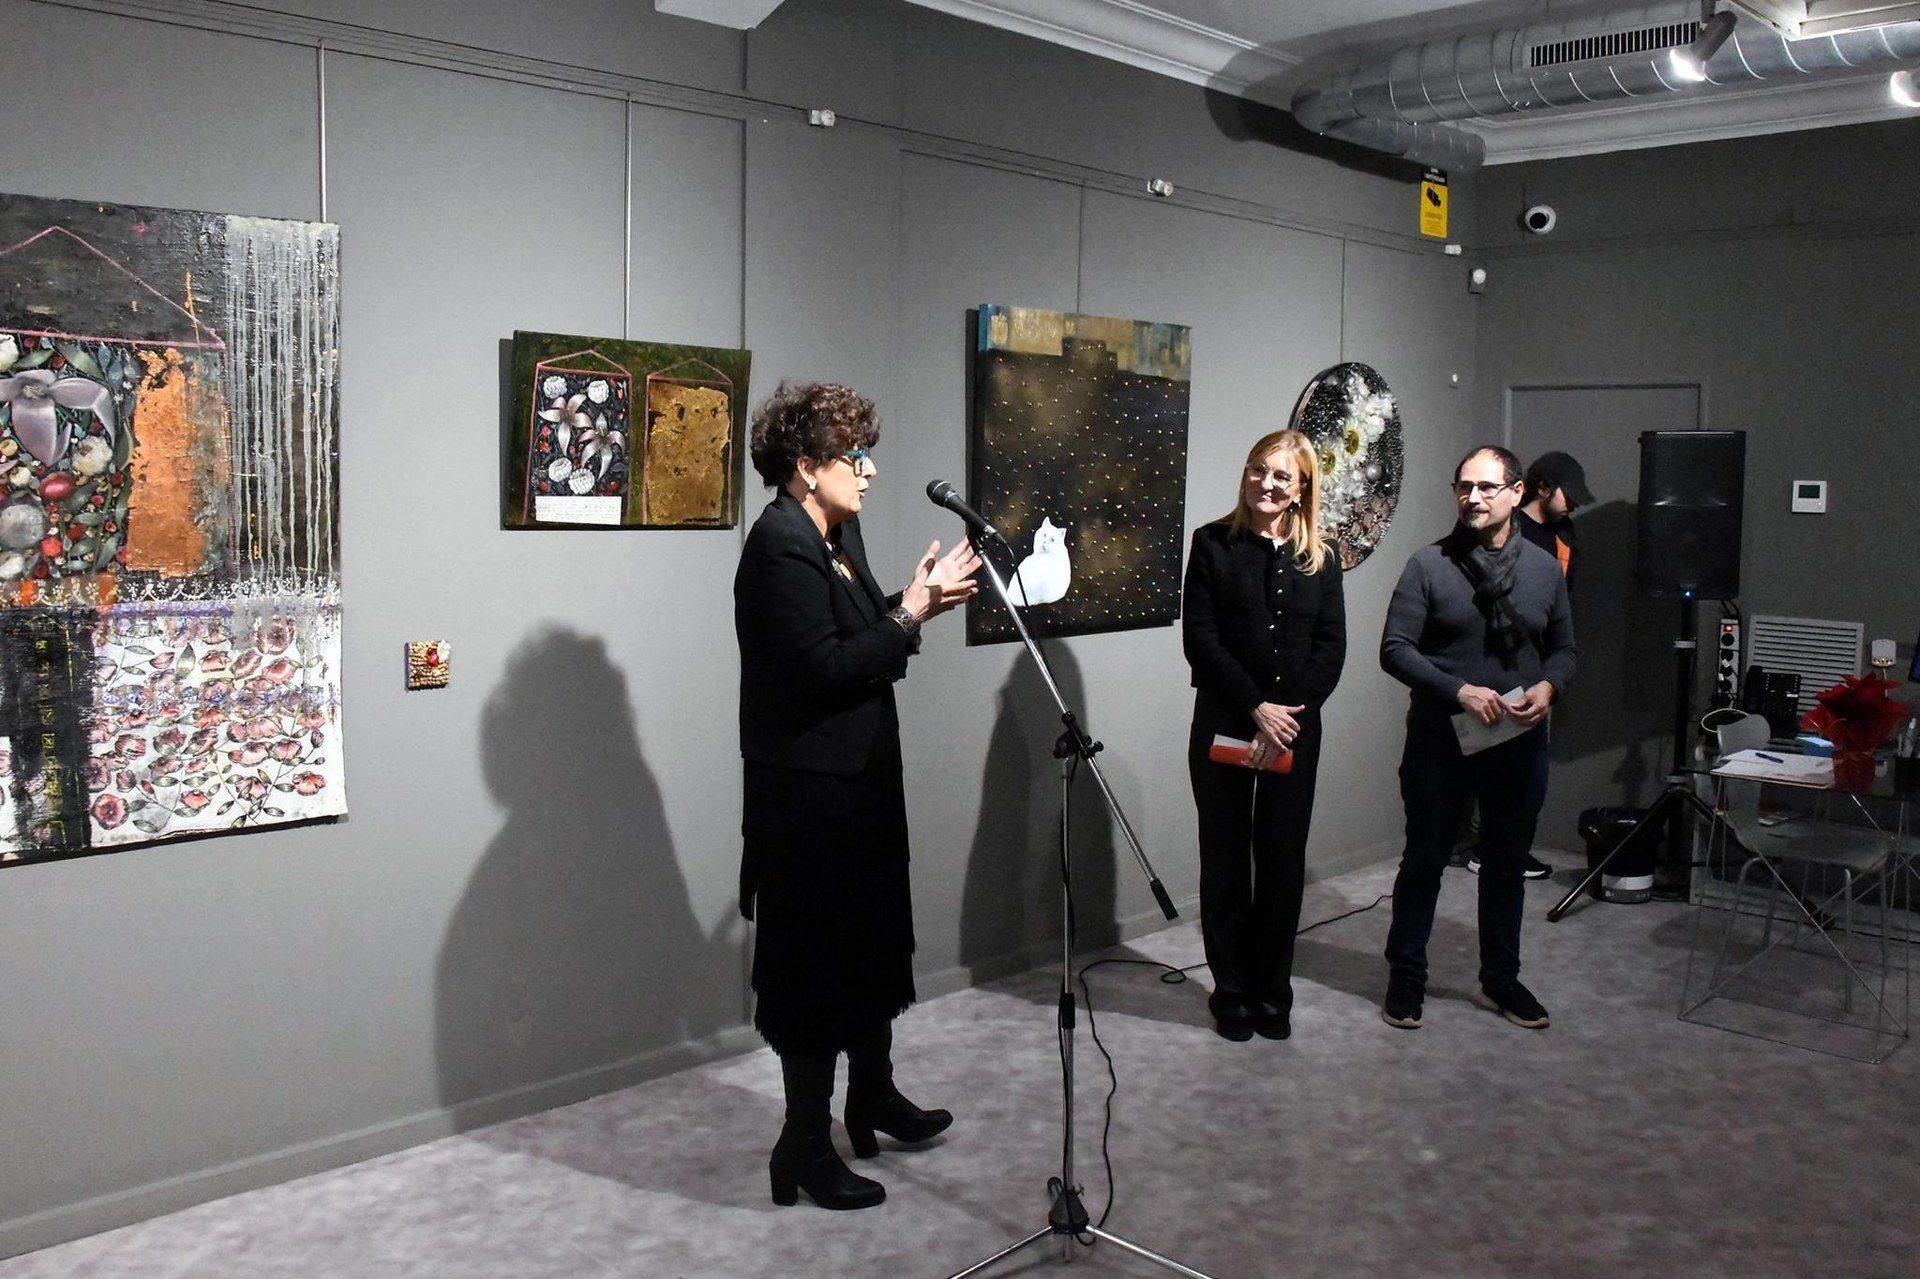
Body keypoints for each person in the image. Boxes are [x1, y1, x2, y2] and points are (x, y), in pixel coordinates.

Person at [734, 380, 982, 1210]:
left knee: (870, 945)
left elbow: (851, 635)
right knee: (815, 970)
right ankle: (802, 1142)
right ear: (805, 466)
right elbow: (823, 670)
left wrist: (912, 607)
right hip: (807, 802)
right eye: (855, 456)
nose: (871, 472)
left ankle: (869, 1096)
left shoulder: (836, 531)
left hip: (861, 785)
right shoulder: (778, 545)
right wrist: (908, 614)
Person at [1379, 445, 1575, 1032]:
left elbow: (1564, 647)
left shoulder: (1544, 568)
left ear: (1518, 493)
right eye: (1465, 486)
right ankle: (1406, 976)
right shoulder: (1429, 564)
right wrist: (1458, 691)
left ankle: (1501, 979)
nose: (1474, 497)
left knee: (1507, 863)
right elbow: (1394, 650)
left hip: (1517, 741)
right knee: (1425, 859)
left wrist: (1549, 687)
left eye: (1488, 487)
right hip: (1442, 741)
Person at [1182, 430, 1346, 1042]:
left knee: (1280, 863)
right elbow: (1201, 639)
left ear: (1302, 488)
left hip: (1294, 734)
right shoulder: (1211, 544)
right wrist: (1256, 707)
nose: (1267, 484)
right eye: (1258, 470)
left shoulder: (1322, 557)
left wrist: (1287, 717)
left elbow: (1330, 647)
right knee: (1223, 862)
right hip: (1225, 725)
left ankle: (1273, 991)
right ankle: (1232, 992)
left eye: (1282, 476)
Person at [1463, 449, 1595, 880]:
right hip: (1492, 673)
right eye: (1568, 494)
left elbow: (1563, 613)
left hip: (1539, 674)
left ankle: (1511, 849)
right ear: (1540, 489)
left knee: (1525, 781)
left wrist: (1552, 677)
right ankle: (1485, 848)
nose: (1573, 503)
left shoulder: (1565, 535)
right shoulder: (1507, 532)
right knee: (1486, 768)